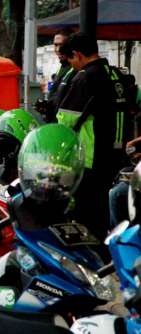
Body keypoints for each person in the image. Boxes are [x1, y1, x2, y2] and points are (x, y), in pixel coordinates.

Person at [56, 32, 134, 240]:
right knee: (105, 214)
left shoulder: (85, 77)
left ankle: (92, 262)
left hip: (91, 159)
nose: (72, 65)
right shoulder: (116, 74)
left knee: (87, 218)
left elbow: (65, 119)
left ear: (78, 54)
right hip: (118, 156)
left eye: (71, 59)